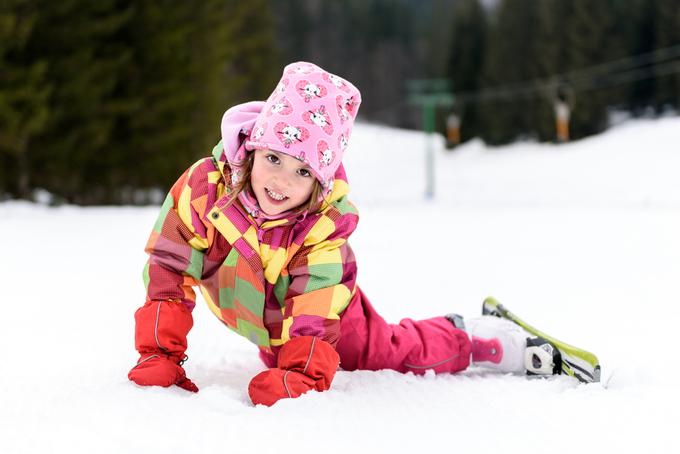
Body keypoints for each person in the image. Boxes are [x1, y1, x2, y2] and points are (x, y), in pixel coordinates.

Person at [127, 61, 550, 406]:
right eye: (273, 157)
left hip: (327, 313)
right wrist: (158, 354)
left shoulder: (321, 231)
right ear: (253, 147)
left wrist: (300, 377)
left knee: (389, 353)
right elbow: (169, 265)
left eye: (303, 171)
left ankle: (474, 340)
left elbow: (313, 316)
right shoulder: (205, 191)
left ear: (320, 182)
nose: (282, 180)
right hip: (269, 319)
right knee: (278, 352)